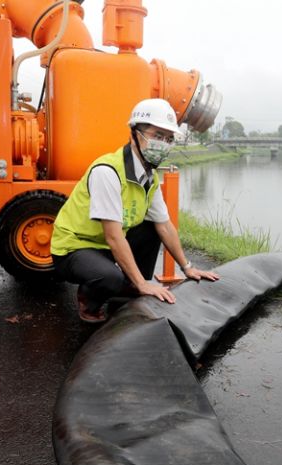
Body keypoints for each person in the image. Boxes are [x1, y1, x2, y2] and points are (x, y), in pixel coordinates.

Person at [50, 98, 219, 323]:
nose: (163, 143)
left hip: (105, 246)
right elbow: (113, 235)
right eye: (157, 136)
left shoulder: (149, 176)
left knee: (153, 227)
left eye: (168, 139)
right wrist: (142, 283)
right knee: (109, 277)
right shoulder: (108, 171)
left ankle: (128, 286)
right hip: (75, 247)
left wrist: (187, 267)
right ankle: (90, 300)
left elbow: (165, 225)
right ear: (134, 134)